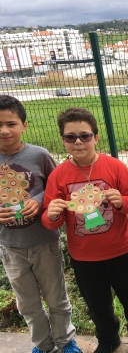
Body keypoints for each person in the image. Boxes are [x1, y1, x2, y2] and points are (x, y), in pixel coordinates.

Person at [40, 107, 128, 353]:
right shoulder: (58, 176)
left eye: (85, 135)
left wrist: (121, 202)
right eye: (70, 137)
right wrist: (51, 214)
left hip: (122, 249)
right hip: (84, 256)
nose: (78, 142)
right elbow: (52, 221)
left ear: (96, 137)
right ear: (63, 140)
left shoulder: (114, 167)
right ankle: (107, 338)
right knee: (97, 304)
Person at [0, 95, 82, 353]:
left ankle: (65, 341)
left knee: (57, 298)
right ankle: (43, 345)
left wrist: (37, 199)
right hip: (10, 246)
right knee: (28, 304)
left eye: (11, 123)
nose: (4, 130)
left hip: (45, 242)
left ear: (24, 125)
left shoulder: (39, 155)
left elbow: (56, 187)